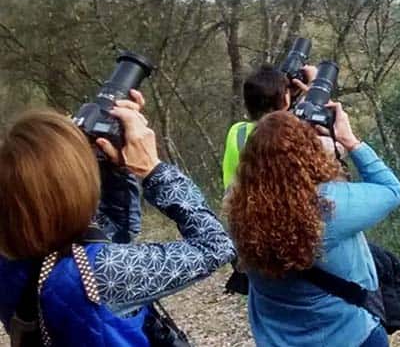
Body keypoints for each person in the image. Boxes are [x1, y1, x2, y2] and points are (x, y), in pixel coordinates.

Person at [0, 91, 235, 345]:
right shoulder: (101, 270)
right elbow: (216, 246)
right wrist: (152, 169)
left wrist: (118, 168)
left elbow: (117, 233)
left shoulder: (14, 256)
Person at [226, 103, 400, 347]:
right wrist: (349, 141)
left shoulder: (239, 212)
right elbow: (392, 190)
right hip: (349, 336)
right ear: (308, 155)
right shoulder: (329, 206)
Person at [221, 63, 316, 189]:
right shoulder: (285, 140)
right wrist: (315, 87)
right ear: (285, 102)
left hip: (237, 206)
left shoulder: (237, 131)